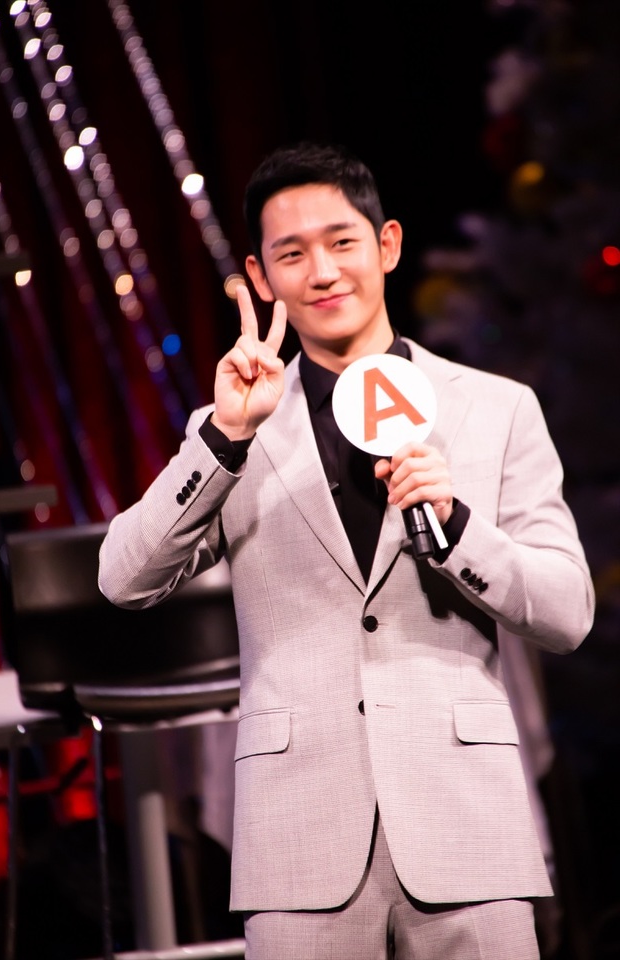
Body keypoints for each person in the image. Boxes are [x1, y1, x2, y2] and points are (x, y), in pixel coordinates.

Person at [98, 142, 595, 960]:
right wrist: (225, 438)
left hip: (467, 827)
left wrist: (458, 524)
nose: (323, 272)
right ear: (261, 277)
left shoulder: (497, 409)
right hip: (300, 838)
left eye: (342, 242)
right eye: (292, 254)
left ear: (387, 245)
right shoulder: (239, 426)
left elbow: (567, 611)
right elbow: (123, 578)